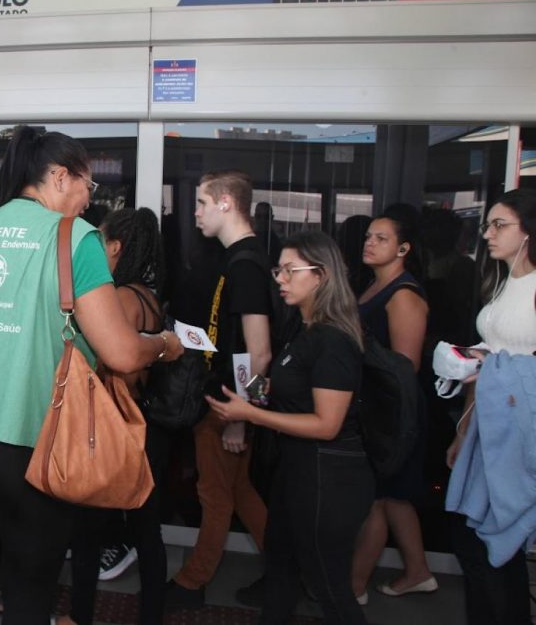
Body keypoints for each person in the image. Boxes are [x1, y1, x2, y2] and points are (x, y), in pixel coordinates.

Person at [0, 125, 183, 625]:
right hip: (29, 441)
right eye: (88, 186)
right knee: (29, 587)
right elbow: (123, 354)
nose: (88, 200)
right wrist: (166, 344)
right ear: (60, 177)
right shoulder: (75, 238)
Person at [206, 231, 372, 625]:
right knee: (280, 568)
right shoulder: (304, 329)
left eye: (288, 270)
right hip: (297, 470)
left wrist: (251, 415)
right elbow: (283, 386)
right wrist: (244, 396)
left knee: (329, 588)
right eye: (278, 269)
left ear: (320, 276)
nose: (278, 278)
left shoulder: (333, 340)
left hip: (329, 478)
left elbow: (326, 424)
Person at [59, 207, 170, 625]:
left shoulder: (122, 298)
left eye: (101, 244)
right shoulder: (148, 296)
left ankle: (79, 617)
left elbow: (116, 361)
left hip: (116, 428)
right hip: (142, 425)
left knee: (87, 531)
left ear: (116, 247)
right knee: (147, 532)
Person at [166, 170, 269, 611]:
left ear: (227, 202)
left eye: (202, 203)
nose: (195, 213)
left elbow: (259, 352)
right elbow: (232, 338)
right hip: (227, 395)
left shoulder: (245, 264)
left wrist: (239, 415)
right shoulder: (237, 258)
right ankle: (286, 570)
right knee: (240, 490)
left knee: (215, 494)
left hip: (227, 403)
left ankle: (192, 582)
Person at [445, 189, 536, 625]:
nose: (488, 233)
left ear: (529, 232)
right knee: (474, 539)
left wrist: (489, 365)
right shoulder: (503, 282)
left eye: (500, 225)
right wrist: (464, 431)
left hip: (519, 432)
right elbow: (499, 354)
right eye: (488, 224)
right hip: (488, 425)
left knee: (498, 544)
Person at [351, 208, 436, 603]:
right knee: (394, 497)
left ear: (403, 248)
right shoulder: (372, 284)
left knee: (376, 498)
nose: (370, 243)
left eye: (381, 238)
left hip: (392, 410)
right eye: (369, 236)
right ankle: (418, 571)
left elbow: (405, 368)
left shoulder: (403, 294)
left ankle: (353, 589)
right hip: (375, 404)